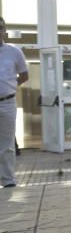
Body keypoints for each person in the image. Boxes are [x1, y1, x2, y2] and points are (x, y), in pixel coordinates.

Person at [0, 17, 28, 188]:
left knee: (7, 144)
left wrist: (10, 86)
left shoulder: (14, 52)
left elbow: (24, 75)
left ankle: (8, 180)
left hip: (7, 103)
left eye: (0, 27)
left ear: (4, 30)